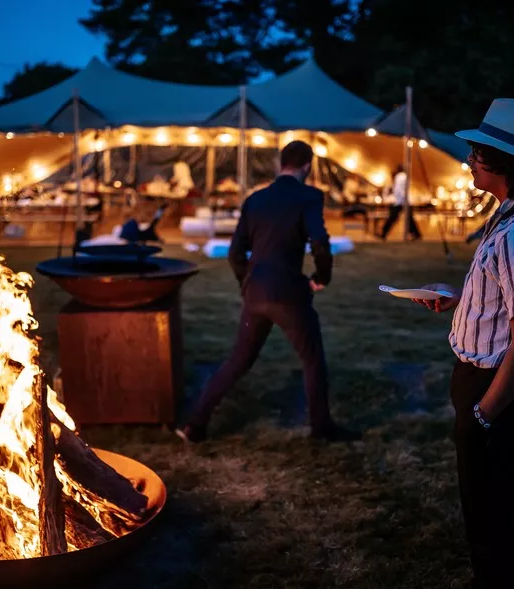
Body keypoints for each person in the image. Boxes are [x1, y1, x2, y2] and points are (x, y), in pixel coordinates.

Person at [415, 99, 514, 589]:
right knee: (500, 495)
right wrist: (464, 301)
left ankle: (496, 586)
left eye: (478, 153)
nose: (469, 160)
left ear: (506, 162)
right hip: (503, 381)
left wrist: (482, 414)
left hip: (498, 385)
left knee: (488, 502)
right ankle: (503, 577)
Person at [175, 141, 360, 443]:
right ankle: (321, 427)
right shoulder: (309, 196)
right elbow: (320, 243)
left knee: (238, 361)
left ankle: (195, 424)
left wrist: (246, 283)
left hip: (256, 293)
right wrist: (322, 276)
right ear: (307, 166)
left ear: (279, 164)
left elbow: (235, 253)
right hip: (288, 293)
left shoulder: (255, 200)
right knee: (312, 360)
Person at [378, 165, 422, 240]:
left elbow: (398, 190)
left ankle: (383, 233)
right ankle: (416, 234)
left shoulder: (399, 177)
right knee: (409, 218)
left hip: (401, 201)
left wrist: (399, 200)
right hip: (405, 201)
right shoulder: (406, 177)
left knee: (393, 218)